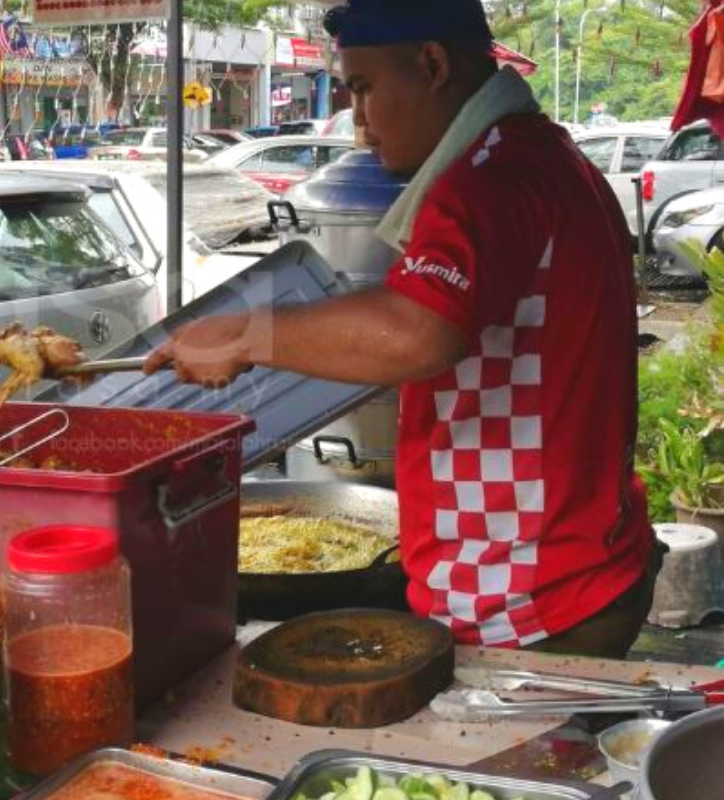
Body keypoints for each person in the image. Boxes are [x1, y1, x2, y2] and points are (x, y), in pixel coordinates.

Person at [144, 0, 661, 658]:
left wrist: (246, 336)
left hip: (530, 599)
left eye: (363, 89)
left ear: (432, 64)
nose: (359, 128)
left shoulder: (490, 179)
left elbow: (420, 330)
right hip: (562, 571)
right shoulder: (544, 158)